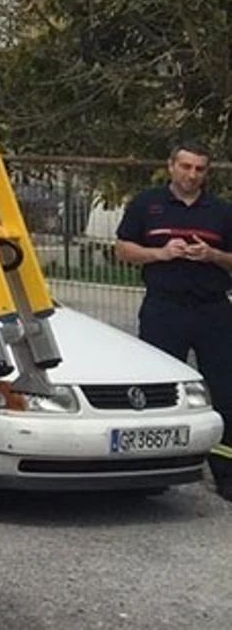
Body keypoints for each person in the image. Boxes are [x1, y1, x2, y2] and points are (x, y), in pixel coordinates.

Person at [114, 140, 232, 500]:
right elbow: (122, 249)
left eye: (199, 169)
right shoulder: (147, 204)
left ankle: (225, 473)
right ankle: (154, 473)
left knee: (225, 393)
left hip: (213, 310)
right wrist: (160, 253)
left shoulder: (221, 211)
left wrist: (212, 255)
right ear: (171, 166)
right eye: (186, 166)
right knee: (157, 392)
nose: (192, 175)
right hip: (164, 308)